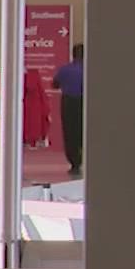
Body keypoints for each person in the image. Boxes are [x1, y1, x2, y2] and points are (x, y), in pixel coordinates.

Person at [53, 44, 85, 175]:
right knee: (85, 132)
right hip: (85, 102)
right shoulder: (90, 69)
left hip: (68, 103)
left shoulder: (64, 69)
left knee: (70, 133)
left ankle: (75, 164)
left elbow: (55, 84)